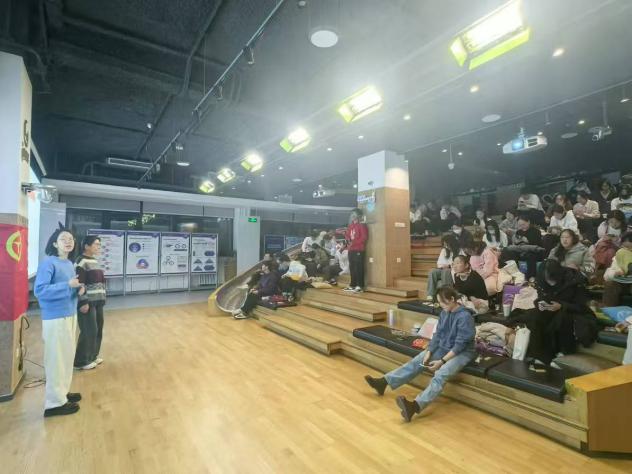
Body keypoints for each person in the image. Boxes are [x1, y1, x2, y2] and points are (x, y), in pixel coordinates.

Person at [364, 286, 476, 423]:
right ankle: (383, 382)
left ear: (452, 299)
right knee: (418, 360)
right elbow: (437, 335)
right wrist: (429, 352)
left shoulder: (465, 317)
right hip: (445, 347)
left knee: (441, 374)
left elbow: (460, 345)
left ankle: (415, 406)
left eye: (442, 302)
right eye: (439, 302)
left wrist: (441, 361)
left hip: (462, 352)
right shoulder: (444, 313)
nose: (441, 305)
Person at [34, 226, 85, 417]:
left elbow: (69, 287)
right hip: (55, 317)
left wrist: (78, 289)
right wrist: (68, 285)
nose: (68, 242)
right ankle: (54, 403)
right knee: (56, 359)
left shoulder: (69, 263)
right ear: (55, 243)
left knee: (66, 356)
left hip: (70, 314)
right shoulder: (48, 263)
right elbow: (40, 291)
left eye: (71, 239)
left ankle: (62, 392)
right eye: (64, 239)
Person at [507, 259, 598, 364]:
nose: (550, 283)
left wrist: (562, 306)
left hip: (572, 312)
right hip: (551, 309)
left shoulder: (575, 281)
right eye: (547, 280)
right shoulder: (542, 281)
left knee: (561, 319)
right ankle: (539, 356)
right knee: (536, 317)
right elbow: (542, 297)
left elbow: (581, 307)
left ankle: (563, 352)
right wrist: (541, 304)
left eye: (552, 280)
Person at [74, 236, 107, 371]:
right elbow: (79, 283)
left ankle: (92, 356)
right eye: (96, 244)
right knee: (89, 330)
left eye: (99, 244)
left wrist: (103, 297)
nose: (98, 247)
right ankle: (81, 361)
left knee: (98, 329)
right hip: (88, 302)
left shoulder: (94, 260)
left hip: (98, 301)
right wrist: (83, 301)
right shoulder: (81, 261)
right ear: (86, 246)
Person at [500, 214, 544, 279]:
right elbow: (516, 244)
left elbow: (536, 246)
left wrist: (526, 241)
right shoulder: (518, 232)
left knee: (530, 256)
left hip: (533, 252)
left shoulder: (536, 231)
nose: (521, 226)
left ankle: (530, 277)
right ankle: (513, 273)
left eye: (523, 224)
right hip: (521, 251)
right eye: (520, 225)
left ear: (528, 222)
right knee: (507, 251)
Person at [426, 234, 461, 300]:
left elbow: (460, 262)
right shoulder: (444, 250)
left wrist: (449, 265)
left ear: (452, 243)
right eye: (444, 245)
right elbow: (439, 263)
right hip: (442, 268)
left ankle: (446, 294)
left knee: (446, 271)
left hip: (453, 270)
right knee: (432, 271)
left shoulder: (459, 250)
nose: (446, 247)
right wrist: (443, 266)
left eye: (447, 245)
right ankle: (430, 295)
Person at [603, 232, 632, 306]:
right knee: (610, 284)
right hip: (622, 282)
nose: (627, 250)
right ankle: (609, 309)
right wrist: (615, 273)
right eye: (625, 247)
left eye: (629, 247)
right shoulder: (619, 255)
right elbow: (607, 276)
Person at [344, 208, 368, 293]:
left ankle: (360, 286)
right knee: (352, 267)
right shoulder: (351, 226)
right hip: (351, 249)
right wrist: (347, 240)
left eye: (354, 214)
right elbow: (347, 235)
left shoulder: (361, 225)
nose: (352, 216)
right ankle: (352, 285)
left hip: (359, 249)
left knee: (359, 268)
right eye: (352, 214)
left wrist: (353, 243)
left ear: (359, 215)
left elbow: (364, 238)